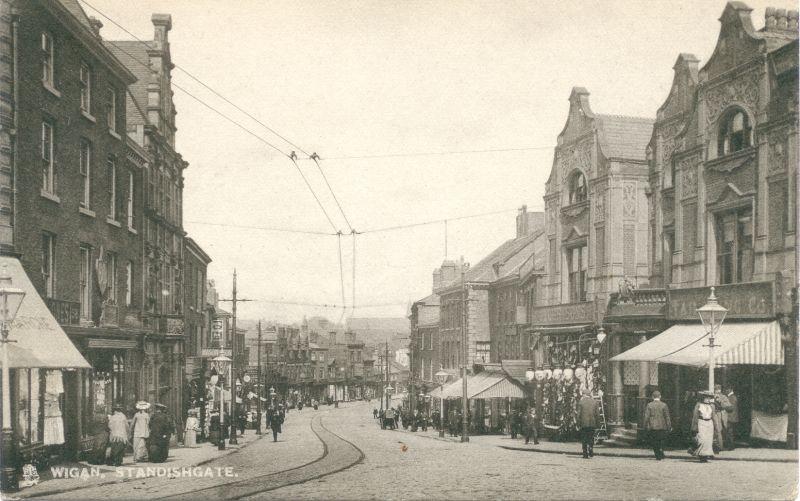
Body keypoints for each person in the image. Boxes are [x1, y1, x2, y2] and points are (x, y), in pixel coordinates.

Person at [643, 390, 672, 460]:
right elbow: (667, 417)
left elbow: (646, 417)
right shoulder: (664, 405)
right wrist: (669, 426)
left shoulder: (649, 405)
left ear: (652, 397)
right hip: (662, 426)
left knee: (654, 441)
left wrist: (645, 426)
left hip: (653, 426)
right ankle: (661, 451)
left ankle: (658, 455)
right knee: (661, 440)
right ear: (660, 396)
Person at [691, 391, 716, 462]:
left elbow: (714, 416)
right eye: (706, 398)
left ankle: (706, 455)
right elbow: (695, 416)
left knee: (709, 440)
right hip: (701, 422)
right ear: (703, 398)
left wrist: (716, 427)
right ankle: (701, 455)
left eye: (709, 398)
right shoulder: (698, 405)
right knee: (702, 439)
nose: (708, 399)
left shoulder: (712, 406)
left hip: (710, 423)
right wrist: (694, 427)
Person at [576, 388, 599, 459]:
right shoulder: (595, 402)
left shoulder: (581, 402)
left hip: (584, 423)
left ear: (584, 395)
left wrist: (578, 424)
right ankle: (591, 447)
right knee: (591, 437)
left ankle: (585, 453)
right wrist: (598, 424)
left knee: (584, 438)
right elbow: (597, 414)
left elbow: (578, 415)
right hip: (592, 423)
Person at [712, 384, 732, 453]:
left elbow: (728, 406)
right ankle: (717, 446)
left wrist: (720, 401)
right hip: (713, 415)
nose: (717, 390)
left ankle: (719, 447)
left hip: (720, 415)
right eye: (716, 389)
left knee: (719, 431)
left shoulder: (723, 397)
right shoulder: (711, 396)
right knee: (716, 431)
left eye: (718, 389)